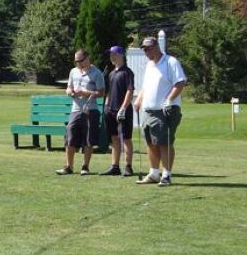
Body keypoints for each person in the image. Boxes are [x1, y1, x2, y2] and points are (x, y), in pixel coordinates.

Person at [133, 37, 187, 187]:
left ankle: (166, 175)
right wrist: (138, 100)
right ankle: (154, 173)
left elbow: (180, 82)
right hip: (148, 110)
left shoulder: (170, 62)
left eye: (149, 48)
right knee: (151, 143)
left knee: (164, 143)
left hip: (165, 110)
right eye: (144, 49)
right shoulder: (149, 65)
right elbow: (145, 87)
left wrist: (169, 100)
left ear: (157, 47)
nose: (146, 52)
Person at [56, 49, 105, 176]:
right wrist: (69, 91)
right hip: (75, 109)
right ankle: (69, 167)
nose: (78, 63)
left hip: (90, 110)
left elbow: (101, 93)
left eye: (80, 61)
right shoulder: (73, 71)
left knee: (88, 139)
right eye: (76, 61)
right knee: (70, 136)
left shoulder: (97, 73)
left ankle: (85, 167)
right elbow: (69, 87)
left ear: (87, 58)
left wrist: (85, 93)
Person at [100, 46, 135, 177]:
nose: (111, 57)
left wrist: (123, 108)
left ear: (121, 55)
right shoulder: (111, 73)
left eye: (114, 54)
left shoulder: (127, 72)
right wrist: (107, 105)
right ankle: (115, 166)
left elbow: (130, 91)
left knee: (126, 138)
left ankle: (128, 167)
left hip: (123, 110)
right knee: (114, 138)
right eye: (110, 54)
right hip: (111, 110)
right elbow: (110, 91)